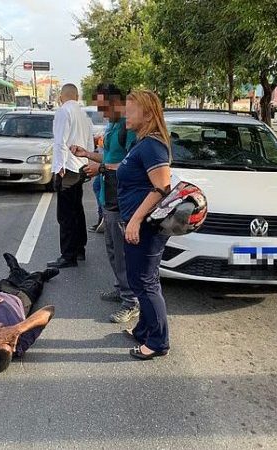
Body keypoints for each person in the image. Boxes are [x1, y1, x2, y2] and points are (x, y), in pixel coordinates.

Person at [71, 83, 139, 323]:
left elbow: (132, 164)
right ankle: (122, 289)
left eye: (103, 105)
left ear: (116, 102)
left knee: (122, 253)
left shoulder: (128, 128)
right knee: (111, 249)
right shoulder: (112, 127)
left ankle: (131, 301)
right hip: (108, 198)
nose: (101, 110)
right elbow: (110, 158)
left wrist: (99, 167)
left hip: (122, 198)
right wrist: (87, 154)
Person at [116, 89, 172, 360]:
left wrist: (135, 220)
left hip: (146, 226)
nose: (126, 112)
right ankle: (144, 329)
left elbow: (162, 187)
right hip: (136, 221)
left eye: (132, 108)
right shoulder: (141, 143)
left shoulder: (152, 145)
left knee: (145, 283)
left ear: (148, 113)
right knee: (141, 279)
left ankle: (159, 341)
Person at [47, 83, 94, 269]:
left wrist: (58, 168)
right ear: (76, 95)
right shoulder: (83, 114)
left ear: (62, 95)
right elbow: (89, 143)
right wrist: (89, 164)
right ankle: (79, 249)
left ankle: (67, 256)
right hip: (81, 167)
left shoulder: (63, 111)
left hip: (67, 168)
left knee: (65, 214)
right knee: (77, 210)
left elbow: (60, 142)